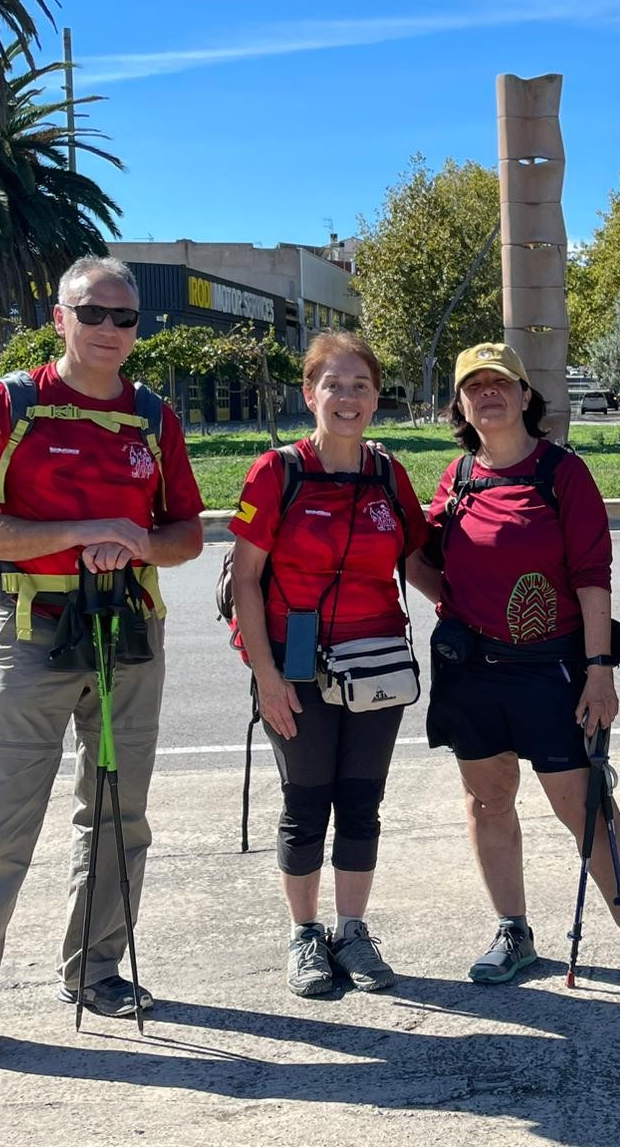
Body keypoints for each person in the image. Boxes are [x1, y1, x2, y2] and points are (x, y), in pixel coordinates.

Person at [0, 256, 205, 1070]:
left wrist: (136, 543)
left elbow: (187, 534)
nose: (110, 330)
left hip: (127, 635)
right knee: (0, 819)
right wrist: (82, 533)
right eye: (92, 313)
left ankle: (96, 971)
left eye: (125, 317)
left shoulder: (152, 416)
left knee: (119, 815)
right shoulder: (11, 404)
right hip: (32, 632)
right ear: (60, 318)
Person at [406, 342, 620, 993]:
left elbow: (592, 579)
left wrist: (599, 671)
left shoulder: (562, 474)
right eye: (474, 386)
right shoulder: (457, 477)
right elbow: (419, 557)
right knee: (487, 801)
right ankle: (513, 932)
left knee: (583, 805)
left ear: (526, 395)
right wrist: (454, 604)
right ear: (460, 403)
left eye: (501, 383)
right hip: (472, 674)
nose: (488, 394)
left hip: (550, 669)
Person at [228, 333, 427, 997]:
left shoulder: (387, 473)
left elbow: (417, 559)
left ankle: (352, 932)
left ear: (377, 397)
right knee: (306, 802)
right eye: (333, 384)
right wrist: (266, 676)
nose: (348, 398)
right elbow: (246, 579)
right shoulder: (277, 472)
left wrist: (472, 611)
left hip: (377, 665)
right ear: (309, 393)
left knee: (362, 803)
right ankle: (304, 934)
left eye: (360, 385)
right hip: (296, 670)